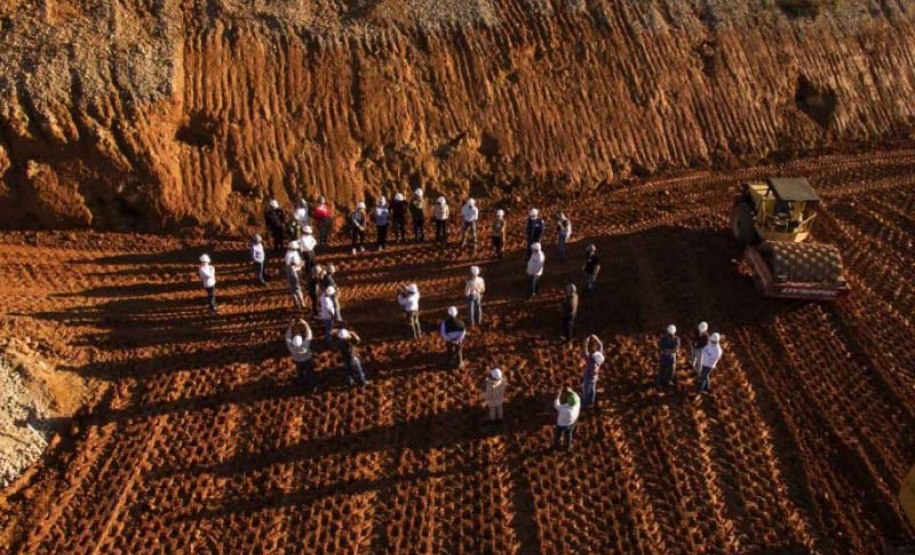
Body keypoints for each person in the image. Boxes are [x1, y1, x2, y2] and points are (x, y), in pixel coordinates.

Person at [286, 318, 316, 392]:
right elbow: (309, 334)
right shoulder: (305, 345)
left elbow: (287, 337)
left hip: (298, 361)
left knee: (300, 373)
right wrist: (305, 323)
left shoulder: (291, 347)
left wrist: (291, 326)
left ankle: (302, 385)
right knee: (310, 373)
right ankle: (312, 387)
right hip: (307, 360)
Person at [695, 332, 723, 401]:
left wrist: (707, 353)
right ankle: (707, 387)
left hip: (709, 365)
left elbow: (714, 358)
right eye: (711, 341)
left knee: (703, 377)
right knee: (706, 375)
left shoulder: (718, 350)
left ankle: (700, 390)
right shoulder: (709, 344)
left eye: (713, 341)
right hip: (704, 362)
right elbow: (705, 348)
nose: (711, 342)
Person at [553, 387, 580, 452]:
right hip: (572, 422)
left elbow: (556, 405)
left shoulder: (565, 410)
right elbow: (575, 395)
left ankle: (556, 445)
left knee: (558, 435)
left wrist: (558, 395)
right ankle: (568, 447)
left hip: (561, 425)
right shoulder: (577, 402)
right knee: (569, 434)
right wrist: (571, 390)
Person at [581, 335, 605, 407]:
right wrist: (597, 339)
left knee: (586, 391)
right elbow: (601, 345)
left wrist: (586, 342)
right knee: (592, 389)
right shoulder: (599, 358)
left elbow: (585, 350)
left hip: (588, 378)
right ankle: (592, 401)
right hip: (595, 378)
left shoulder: (589, 360)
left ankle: (585, 403)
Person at [284, 241, 306, 310]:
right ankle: (300, 303)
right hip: (293, 272)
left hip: (296, 271)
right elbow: (290, 265)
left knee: (295, 287)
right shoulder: (289, 255)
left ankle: (298, 303)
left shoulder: (294, 252)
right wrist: (300, 264)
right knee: (296, 288)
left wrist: (301, 263)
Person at [658, 325, 681, 389]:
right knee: (671, 370)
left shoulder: (663, 338)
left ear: (667, 331)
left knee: (663, 369)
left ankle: (662, 382)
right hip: (671, 356)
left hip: (664, 356)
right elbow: (676, 349)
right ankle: (667, 381)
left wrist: (666, 350)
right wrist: (670, 351)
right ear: (675, 331)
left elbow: (661, 347)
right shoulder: (677, 339)